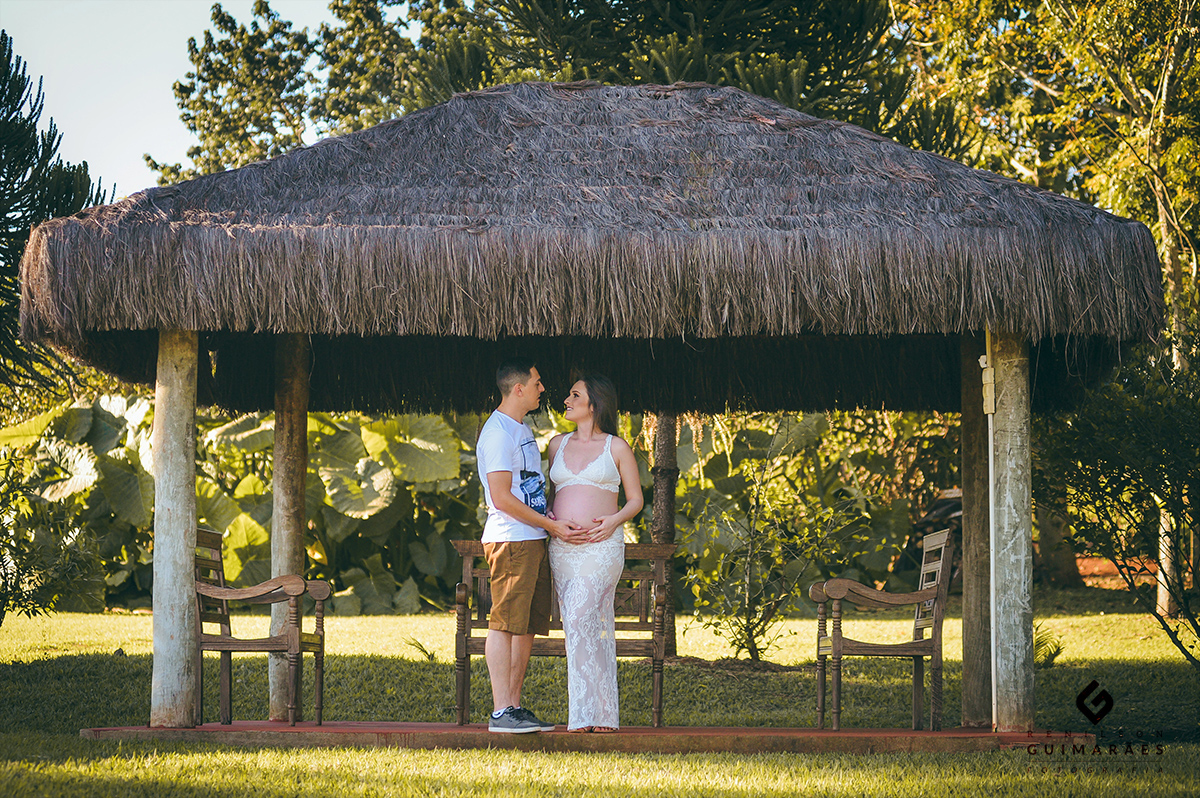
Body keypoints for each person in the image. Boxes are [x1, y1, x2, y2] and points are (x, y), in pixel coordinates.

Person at [476, 358, 588, 734]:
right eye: (537, 383)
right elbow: (503, 498)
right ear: (518, 388)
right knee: (505, 623)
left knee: (525, 626)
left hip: (533, 538)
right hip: (511, 540)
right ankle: (499, 710)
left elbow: (530, 489)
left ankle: (515, 706)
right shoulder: (497, 434)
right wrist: (551, 526)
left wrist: (549, 521)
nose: (543, 389)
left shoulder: (520, 430)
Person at [546, 374, 644, 733]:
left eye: (575, 395)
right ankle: (601, 714)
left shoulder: (616, 447)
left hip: (602, 547)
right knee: (583, 625)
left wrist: (613, 522)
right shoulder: (556, 444)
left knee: (578, 618)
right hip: (563, 550)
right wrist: (551, 519)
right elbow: (546, 495)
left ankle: (585, 715)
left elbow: (636, 499)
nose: (567, 400)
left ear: (595, 404)